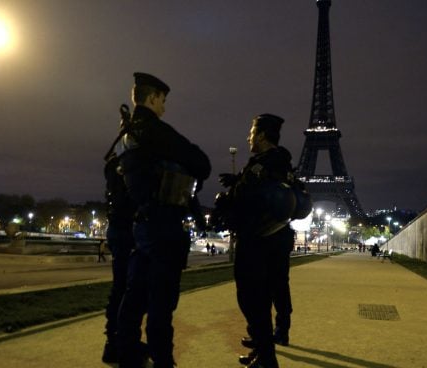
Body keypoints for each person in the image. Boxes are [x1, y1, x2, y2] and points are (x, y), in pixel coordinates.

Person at [116, 72, 211, 368]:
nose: (165, 107)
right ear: (153, 98)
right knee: (162, 302)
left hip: (141, 223)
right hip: (165, 224)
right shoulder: (156, 131)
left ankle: (128, 353)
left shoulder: (127, 134)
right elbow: (202, 163)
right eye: (163, 100)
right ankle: (163, 360)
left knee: (135, 296)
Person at [217, 113, 296, 368]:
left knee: (251, 299)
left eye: (251, 132)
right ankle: (264, 351)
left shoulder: (262, 164)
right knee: (263, 297)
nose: (249, 137)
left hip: (257, 240)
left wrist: (226, 200)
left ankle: (267, 358)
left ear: (261, 135)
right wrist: (237, 180)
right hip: (276, 236)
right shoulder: (279, 162)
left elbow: (248, 199)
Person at [100, 104, 139, 363]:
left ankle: (114, 341)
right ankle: (123, 344)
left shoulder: (114, 163)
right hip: (129, 230)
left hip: (118, 228)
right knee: (130, 290)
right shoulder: (130, 162)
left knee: (120, 288)